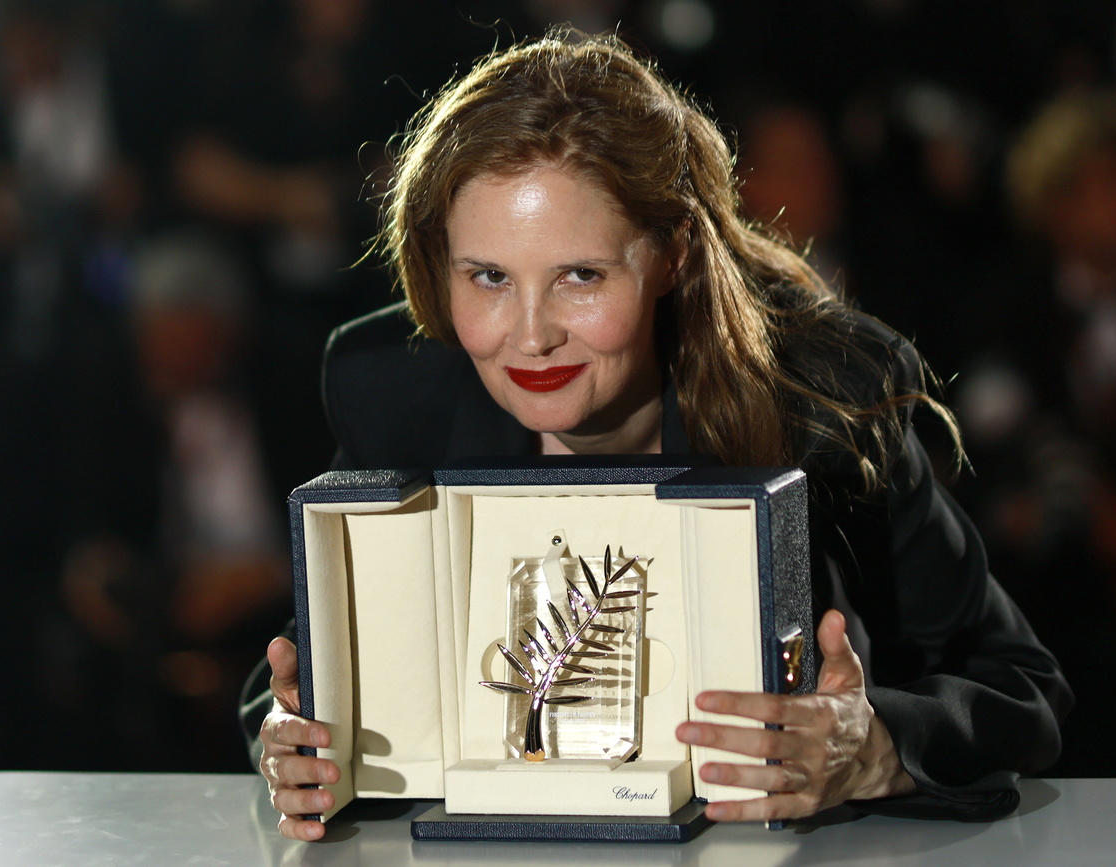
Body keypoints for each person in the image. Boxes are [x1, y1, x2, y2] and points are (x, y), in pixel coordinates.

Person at [241, 31, 1072, 841]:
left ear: (671, 253)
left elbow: (1024, 690)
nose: (530, 336)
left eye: (580, 275)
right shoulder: (393, 388)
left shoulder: (827, 395)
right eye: (488, 277)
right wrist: (295, 735)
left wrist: (873, 750)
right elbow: (289, 677)